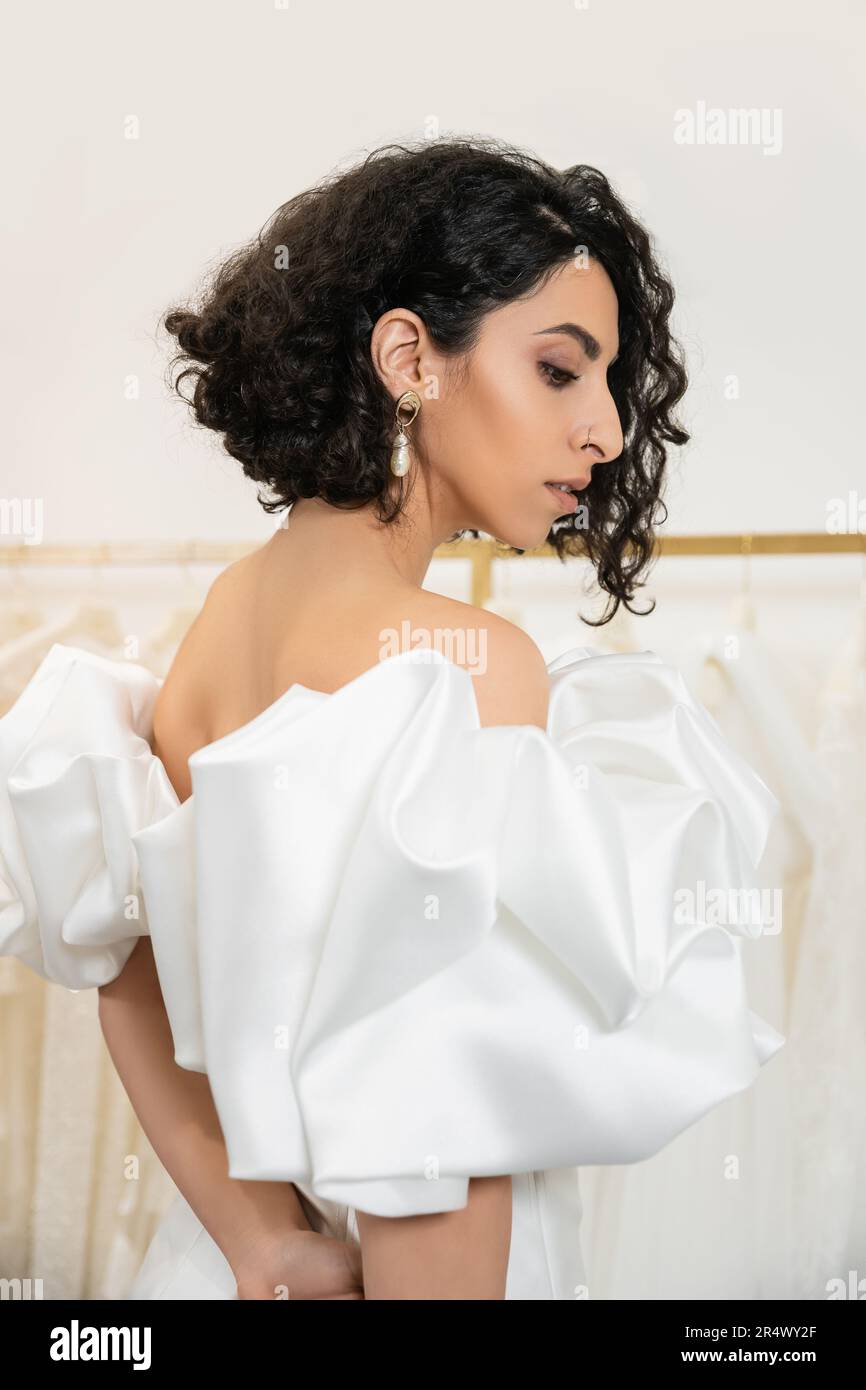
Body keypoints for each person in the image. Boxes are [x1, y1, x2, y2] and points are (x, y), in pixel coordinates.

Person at [0, 136, 784, 1300]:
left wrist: (263, 1244)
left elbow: (130, 975)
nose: (610, 432)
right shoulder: (462, 669)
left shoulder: (219, 625)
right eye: (563, 371)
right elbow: (441, 1098)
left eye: (612, 383)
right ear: (409, 357)